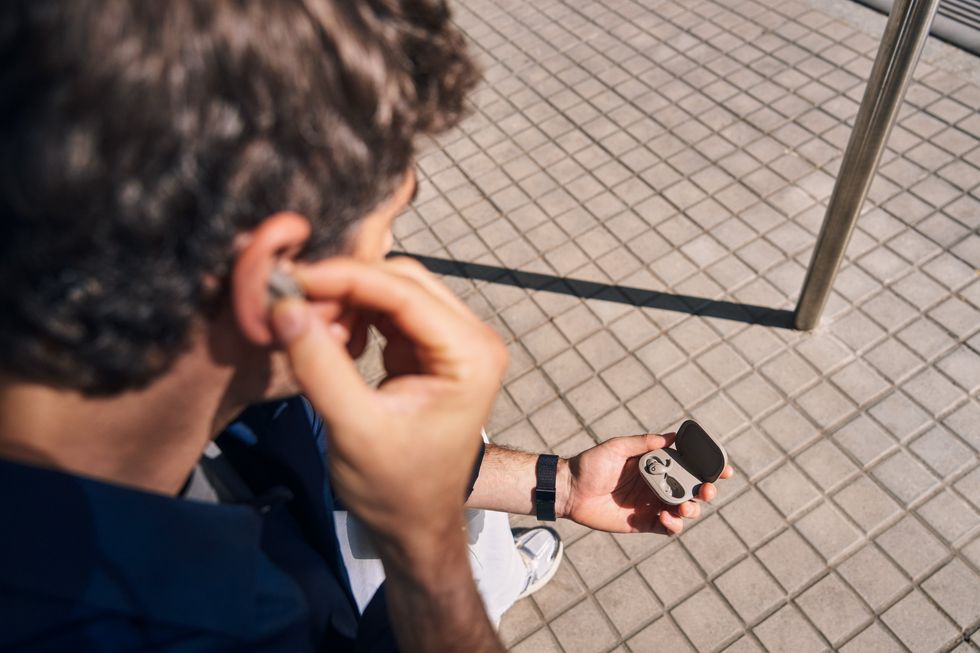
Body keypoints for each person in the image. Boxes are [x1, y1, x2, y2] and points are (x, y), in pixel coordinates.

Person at [0, 1, 732, 652]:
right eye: (385, 236)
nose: (393, 270)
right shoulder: (202, 625)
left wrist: (561, 486)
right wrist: (433, 565)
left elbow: (325, 451)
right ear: (276, 278)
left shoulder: (224, 372)